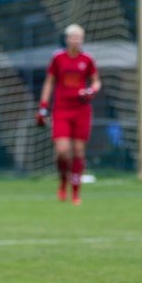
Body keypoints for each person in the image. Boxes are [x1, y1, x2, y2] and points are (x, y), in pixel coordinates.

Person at [36, 24, 100, 203]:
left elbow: (96, 82)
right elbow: (49, 82)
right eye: (73, 37)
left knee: (79, 151)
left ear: (82, 39)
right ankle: (63, 181)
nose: (76, 40)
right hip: (61, 110)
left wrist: (90, 91)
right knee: (63, 151)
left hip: (81, 110)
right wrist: (43, 106)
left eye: (79, 37)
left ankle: (76, 192)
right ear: (67, 39)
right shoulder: (58, 58)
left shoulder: (87, 59)